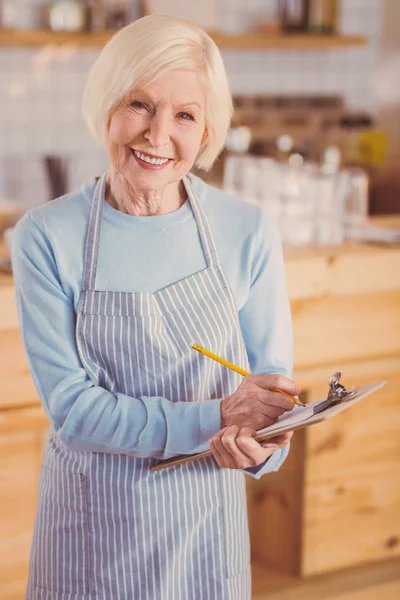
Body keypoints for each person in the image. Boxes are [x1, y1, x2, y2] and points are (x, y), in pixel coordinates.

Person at [11, 14, 300, 600]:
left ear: (207, 130)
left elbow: (272, 403)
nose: (157, 134)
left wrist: (256, 450)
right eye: (140, 104)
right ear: (107, 106)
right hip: (93, 533)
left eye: (185, 115)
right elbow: (73, 409)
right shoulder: (45, 236)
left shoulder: (247, 232)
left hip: (205, 533)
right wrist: (214, 419)